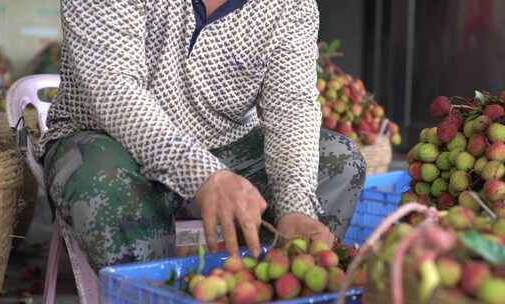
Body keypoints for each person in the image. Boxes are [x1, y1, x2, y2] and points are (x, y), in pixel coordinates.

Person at [37, 0, 366, 271]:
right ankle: (150, 291)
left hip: (225, 146)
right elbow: (114, 90)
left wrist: (296, 208)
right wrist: (201, 174)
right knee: (103, 182)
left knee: (339, 162)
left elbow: (291, 108)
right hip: (106, 142)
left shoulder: (289, 6)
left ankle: (258, 282)